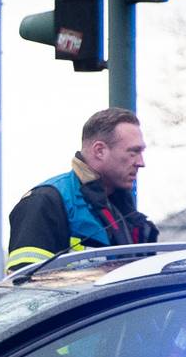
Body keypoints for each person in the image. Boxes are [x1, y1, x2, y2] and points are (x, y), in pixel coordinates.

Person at [8, 107, 158, 272]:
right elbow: (25, 286)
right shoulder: (45, 201)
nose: (141, 162)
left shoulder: (122, 210)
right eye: (133, 152)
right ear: (99, 150)